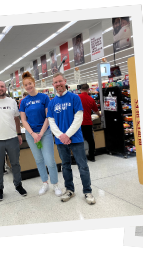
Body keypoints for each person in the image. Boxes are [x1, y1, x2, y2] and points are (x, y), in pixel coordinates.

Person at [48, 73, 95, 204]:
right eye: (55, 82)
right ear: (53, 85)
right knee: (65, 165)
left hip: (76, 138)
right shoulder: (52, 103)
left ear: (65, 81)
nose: (58, 84)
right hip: (60, 140)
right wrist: (61, 136)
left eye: (60, 81)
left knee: (83, 166)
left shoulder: (74, 98)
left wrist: (66, 135)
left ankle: (87, 191)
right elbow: (51, 122)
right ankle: (70, 190)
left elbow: (78, 118)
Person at [19, 71, 61, 196]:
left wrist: (41, 133)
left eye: (30, 83)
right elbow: (23, 120)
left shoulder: (44, 97)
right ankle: (45, 183)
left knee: (50, 160)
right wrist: (33, 134)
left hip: (45, 133)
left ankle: (55, 184)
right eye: (26, 85)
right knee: (38, 160)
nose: (28, 86)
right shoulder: (24, 101)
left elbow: (48, 117)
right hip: (31, 135)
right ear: (24, 87)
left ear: (34, 83)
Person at [0, 80, 27, 200]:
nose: (0, 88)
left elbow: (16, 118)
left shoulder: (12, 101)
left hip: (12, 138)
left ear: (5, 88)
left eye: (2, 86)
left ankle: (18, 185)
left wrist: (18, 134)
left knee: (15, 164)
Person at [78, 83, 100, 162]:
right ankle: (92, 157)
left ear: (80, 90)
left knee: (79, 141)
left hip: (78, 123)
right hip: (87, 122)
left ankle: (81, 158)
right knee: (90, 140)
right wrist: (99, 115)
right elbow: (96, 111)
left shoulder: (77, 98)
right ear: (88, 90)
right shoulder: (91, 99)